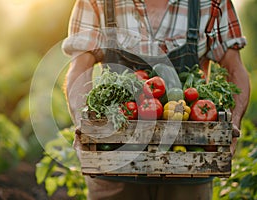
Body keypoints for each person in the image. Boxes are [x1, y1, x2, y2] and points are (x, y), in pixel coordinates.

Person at [62, 0, 251, 199]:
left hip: (191, 163)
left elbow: (234, 67)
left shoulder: (211, 3)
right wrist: (82, 123)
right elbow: (80, 68)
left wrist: (233, 123)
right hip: (114, 165)